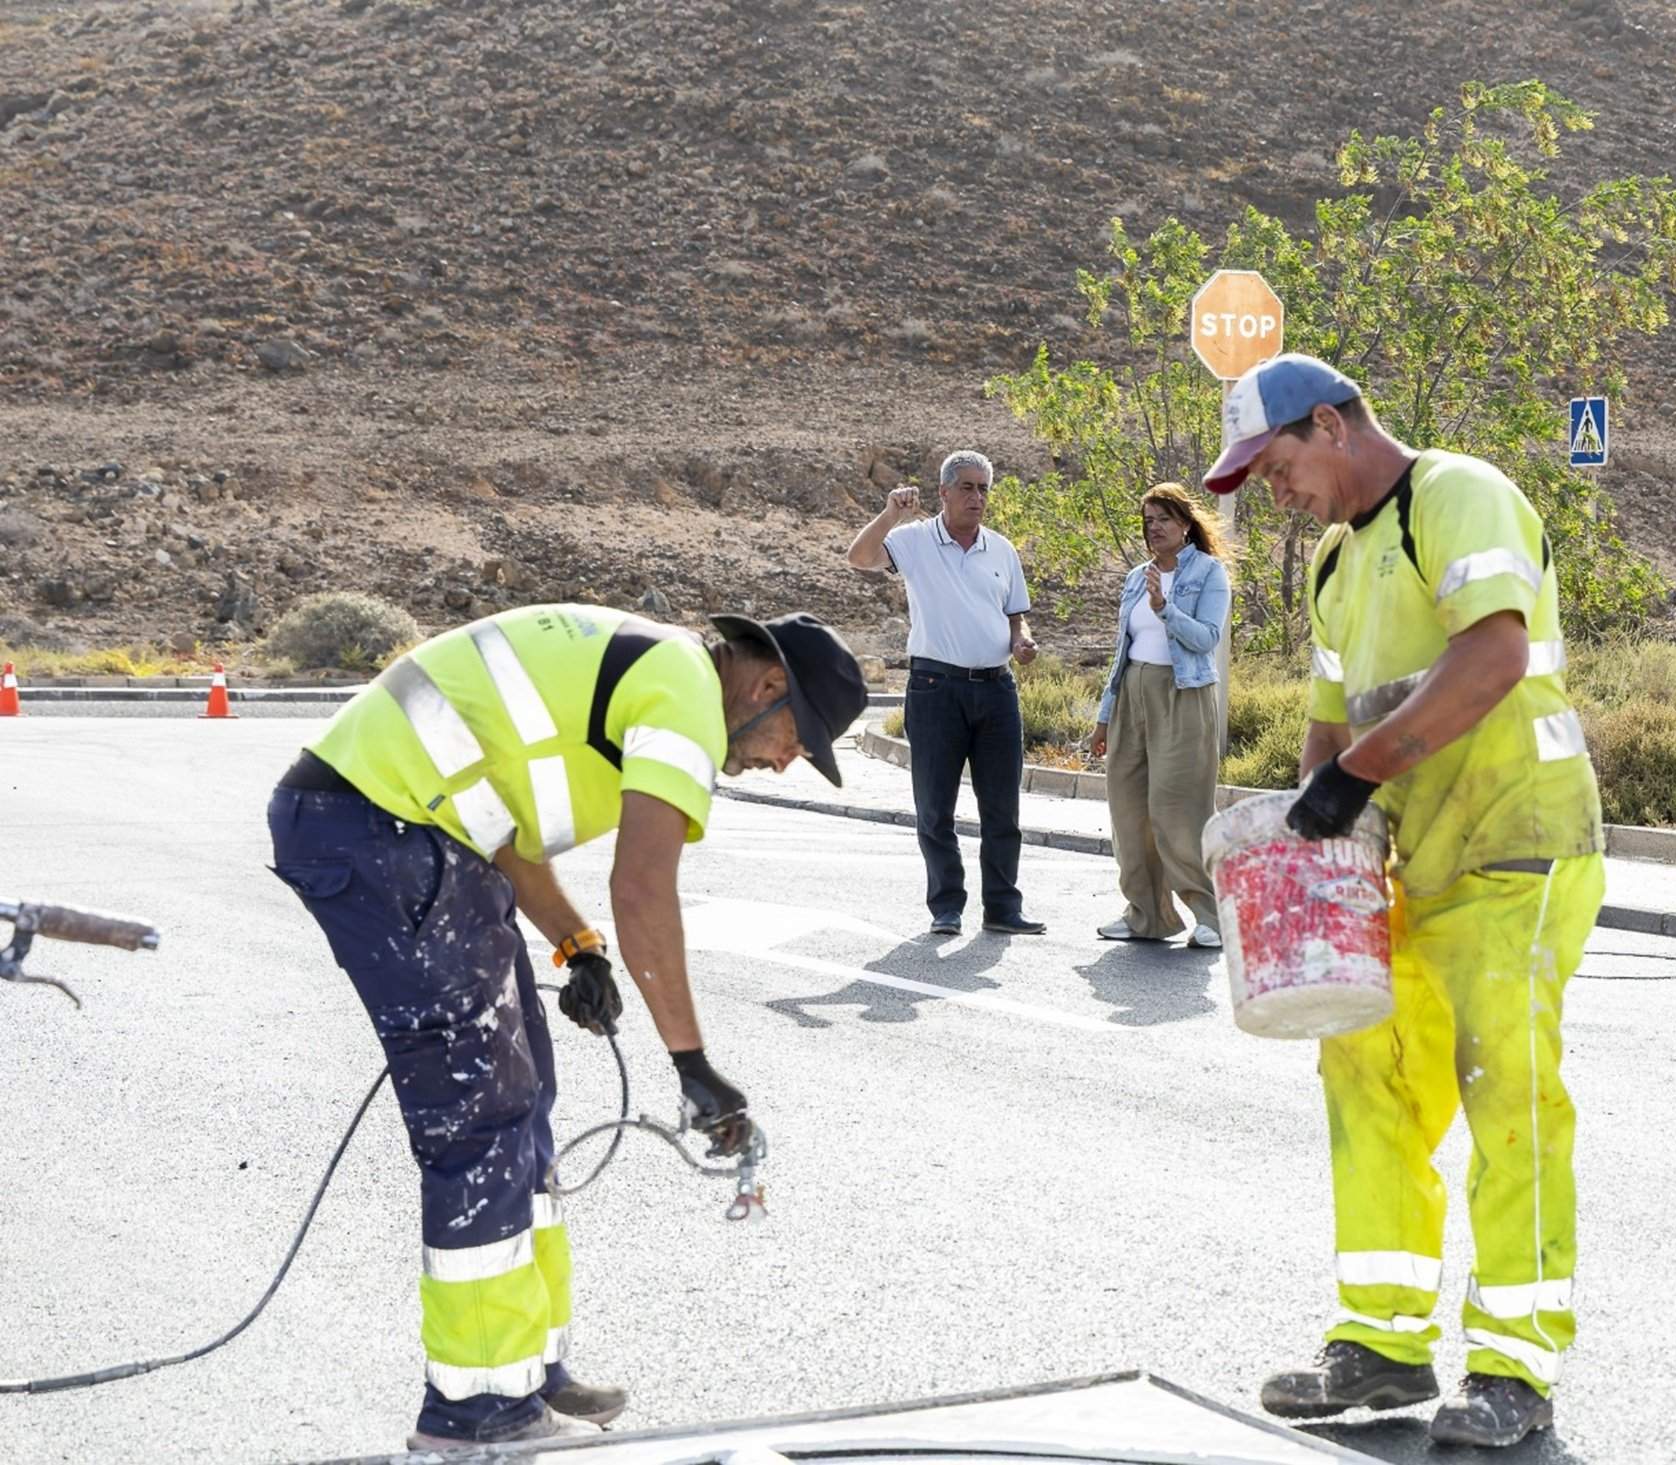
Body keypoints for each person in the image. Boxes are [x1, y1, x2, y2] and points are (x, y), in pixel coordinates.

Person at [266, 603, 868, 1450]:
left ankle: (529, 1373)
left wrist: (577, 946)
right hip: (376, 829)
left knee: (525, 1094)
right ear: (767, 687)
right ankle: (475, 1412)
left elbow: (499, 823)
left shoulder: (659, 668)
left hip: (412, 831)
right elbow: (645, 884)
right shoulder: (688, 695)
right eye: (795, 741)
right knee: (481, 1120)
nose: (783, 762)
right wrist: (691, 1062)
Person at [1203, 355, 1606, 1450]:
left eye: (1276, 464)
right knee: (1364, 1075)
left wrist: (1353, 780)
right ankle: (1379, 1344)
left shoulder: (1457, 496)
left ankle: (1514, 1364)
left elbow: (1492, 656)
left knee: (1505, 1089)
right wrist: (1309, 840)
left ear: (1329, 425)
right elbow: (1328, 730)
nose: (1272, 491)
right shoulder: (1337, 563)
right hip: (1404, 866)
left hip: (1514, 848)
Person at [846, 450, 1045, 937]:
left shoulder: (1001, 549)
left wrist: (1021, 638)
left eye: (983, 489)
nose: (977, 497)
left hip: (996, 689)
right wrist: (891, 513)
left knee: (1002, 806)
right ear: (944, 492)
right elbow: (859, 558)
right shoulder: (913, 540)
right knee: (935, 806)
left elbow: (1015, 612)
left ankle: (1002, 907)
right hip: (935, 689)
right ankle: (947, 906)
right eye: (968, 487)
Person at [1090, 483, 1231, 948]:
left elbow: (1206, 638)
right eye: (1148, 521)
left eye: (1163, 519)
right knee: (1127, 807)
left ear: (1185, 524)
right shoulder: (1137, 576)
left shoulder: (1209, 573)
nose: (1154, 529)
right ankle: (1146, 915)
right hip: (1133, 694)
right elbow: (1121, 654)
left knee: (1178, 809)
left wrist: (1165, 609)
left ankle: (1210, 914)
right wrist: (1104, 716)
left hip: (1184, 694)